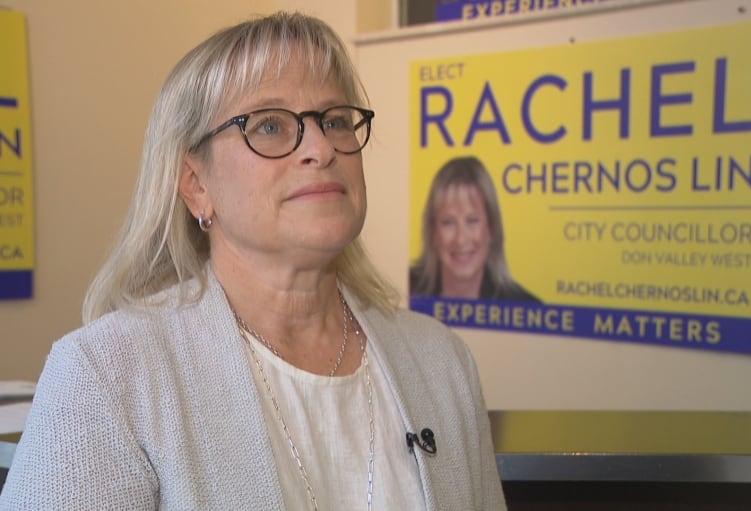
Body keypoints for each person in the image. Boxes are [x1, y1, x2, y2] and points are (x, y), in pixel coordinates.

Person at [0, 12, 506, 511]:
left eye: (334, 120)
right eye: (268, 125)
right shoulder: (106, 377)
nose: (320, 148)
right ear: (196, 185)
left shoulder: (442, 362)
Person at [410, 155, 540, 302]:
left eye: (472, 221)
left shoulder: (525, 306)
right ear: (432, 231)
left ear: (491, 228)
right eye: (448, 222)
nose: (460, 239)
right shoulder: (404, 291)